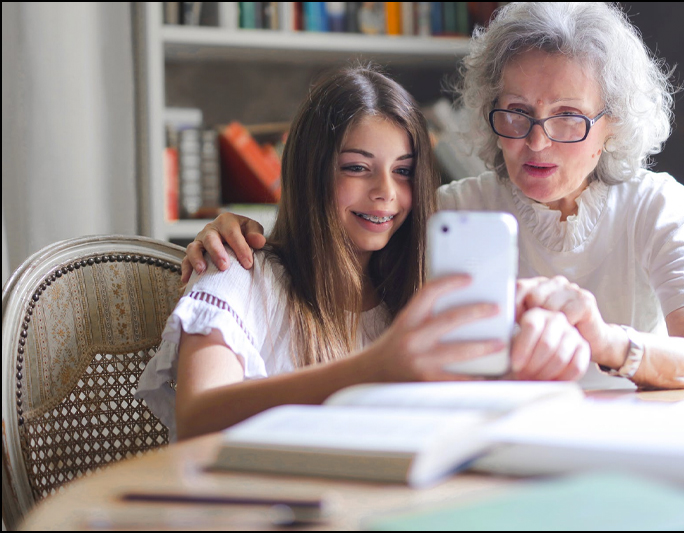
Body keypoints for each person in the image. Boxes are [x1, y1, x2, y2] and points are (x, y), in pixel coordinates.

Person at [184, 3, 684, 391]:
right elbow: (334, 243)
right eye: (517, 113)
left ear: (612, 127)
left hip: (633, 448)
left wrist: (606, 341)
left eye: (568, 117)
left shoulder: (657, 206)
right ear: (487, 111)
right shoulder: (448, 211)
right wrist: (235, 229)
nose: (536, 141)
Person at [136, 65, 589, 442]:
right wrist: (374, 368)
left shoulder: (416, 294)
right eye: (357, 168)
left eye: (404, 172)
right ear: (311, 172)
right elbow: (197, 418)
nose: (386, 194)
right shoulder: (238, 272)